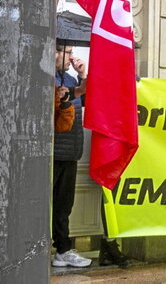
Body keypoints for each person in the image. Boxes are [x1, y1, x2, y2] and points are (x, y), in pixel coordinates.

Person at [51, 45, 92, 268]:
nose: (72, 56)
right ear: (54, 52)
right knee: (46, 203)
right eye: (67, 51)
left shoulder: (70, 78)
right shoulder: (45, 77)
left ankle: (63, 250)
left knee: (64, 205)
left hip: (70, 152)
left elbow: (89, 96)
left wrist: (83, 75)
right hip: (52, 153)